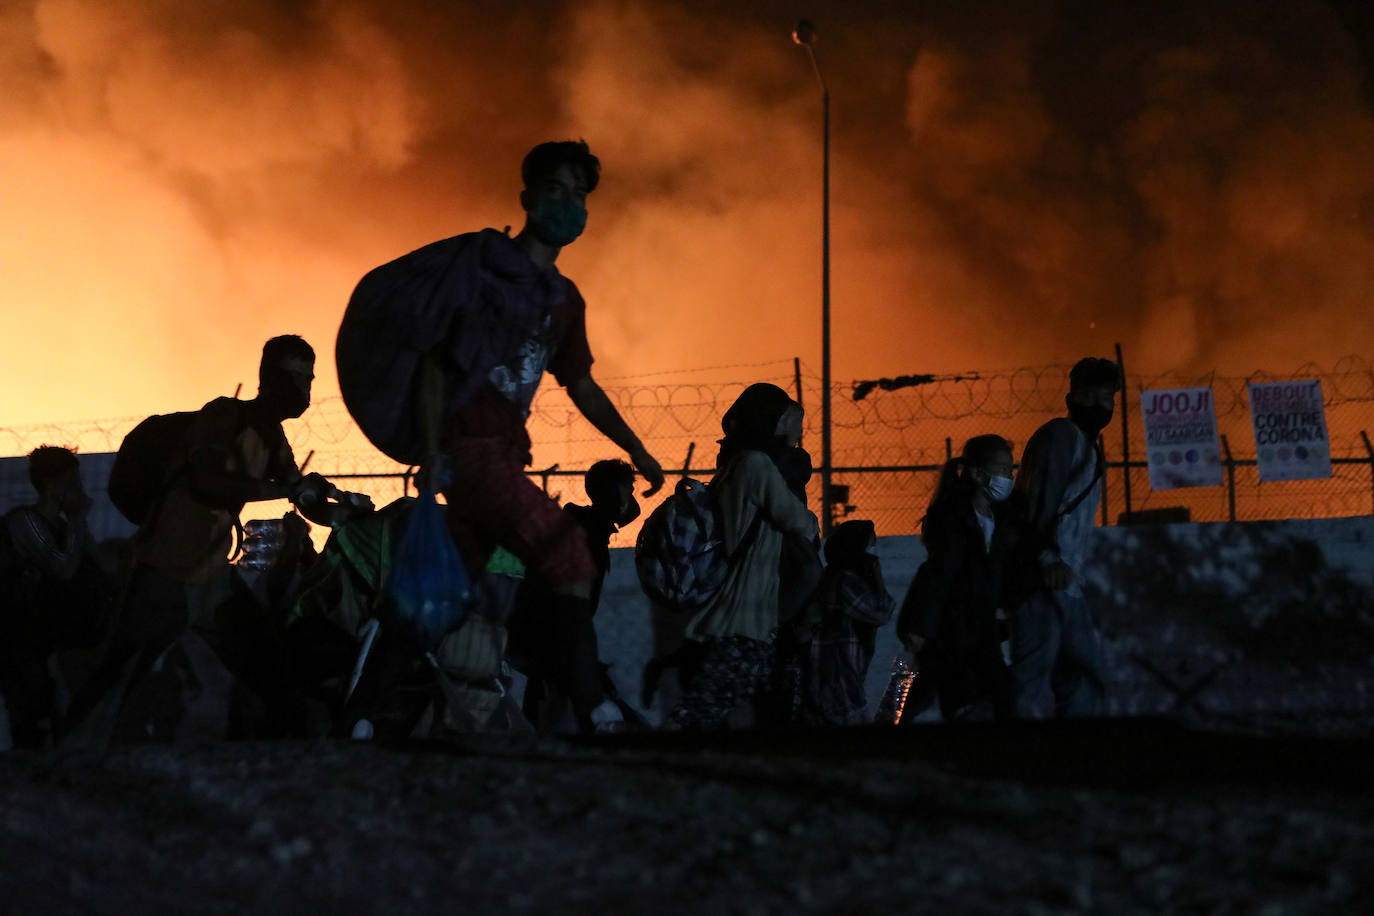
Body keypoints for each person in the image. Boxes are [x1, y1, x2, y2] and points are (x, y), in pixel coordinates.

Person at [356, 141, 664, 726]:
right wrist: (430, 448)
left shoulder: (562, 301)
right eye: (556, 191)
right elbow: (435, 367)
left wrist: (637, 447)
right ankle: (596, 706)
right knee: (569, 550)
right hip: (471, 455)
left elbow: (584, 387)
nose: (569, 206)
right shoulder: (485, 277)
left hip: (501, 457)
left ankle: (361, 716)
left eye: (579, 196)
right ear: (526, 197)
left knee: (440, 598)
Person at [63, 335, 372, 746]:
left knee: (266, 663)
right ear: (268, 377)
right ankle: (63, 759)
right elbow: (207, 480)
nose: (303, 388)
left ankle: (289, 755)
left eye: (307, 377)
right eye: (293, 375)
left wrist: (344, 511)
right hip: (168, 567)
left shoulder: (273, 439)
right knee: (121, 671)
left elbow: (302, 496)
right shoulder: (225, 415)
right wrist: (287, 491)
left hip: (211, 577)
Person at [668, 383, 818, 729]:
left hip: (736, 610)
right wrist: (809, 520)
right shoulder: (756, 464)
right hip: (743, 614)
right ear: (776, 421)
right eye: (793, 420)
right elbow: (798, 521)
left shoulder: (735, 462)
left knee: (722, 708)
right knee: (704, 712)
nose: (798, 430)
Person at [1006, 357, 1120, 718]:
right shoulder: (1060, 436)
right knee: (1035, 681)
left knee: (1080, 679)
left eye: (1107, 396)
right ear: (1072, 396)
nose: (1100, 405)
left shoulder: (1087, 446)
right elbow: (1039, 500)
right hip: (1044, 580)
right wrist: (1047, 557)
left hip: (1065, 582)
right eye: (1091, 394)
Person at [510, 459, 641, 733]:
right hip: (553, 634)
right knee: (571, 701)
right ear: (615, 492)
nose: (631, 500)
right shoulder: (586, 534)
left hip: (552, 635)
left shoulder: (583, 527)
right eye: (628, 491)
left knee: (554, 701)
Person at [897, 435, 1017, 722]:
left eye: (1010, 470)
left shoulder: (1001, 518)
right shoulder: (954, 517)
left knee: (991, 693)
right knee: (955, 692)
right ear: (977, 473)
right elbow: (940, 574)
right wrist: (921, 626)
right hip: (953, 625)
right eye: (1001, 469)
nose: (1008, 477)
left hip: (980, 624)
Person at [0, 446, 112, 747]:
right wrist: (76, 519)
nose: (80, 489)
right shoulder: (25, 522)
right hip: (19, 635)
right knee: (31, 708)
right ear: (53, 485)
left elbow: (93, 563)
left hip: (47, 635)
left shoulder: (64, 526)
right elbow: (63, 567)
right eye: (73, 481)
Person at [792, 519, 895, 725]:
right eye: (870, 546)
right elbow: (881, 612)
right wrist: (877, 576)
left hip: (833, 680)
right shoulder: (845, 580)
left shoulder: (837, 577)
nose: (874, 553)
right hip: (837, 681)